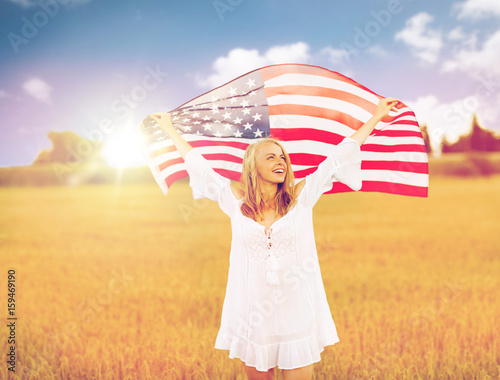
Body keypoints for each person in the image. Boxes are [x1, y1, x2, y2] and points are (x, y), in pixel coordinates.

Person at [150, 97, 400, 380]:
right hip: (252, 318)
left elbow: (339, 156)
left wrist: (377, 116)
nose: (280, 162)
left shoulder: (301, 198)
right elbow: (198, 165)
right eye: (270, 157)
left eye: (282, 157)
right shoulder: (234, 202)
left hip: (296, 313)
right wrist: (170, 130)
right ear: (253, 166)